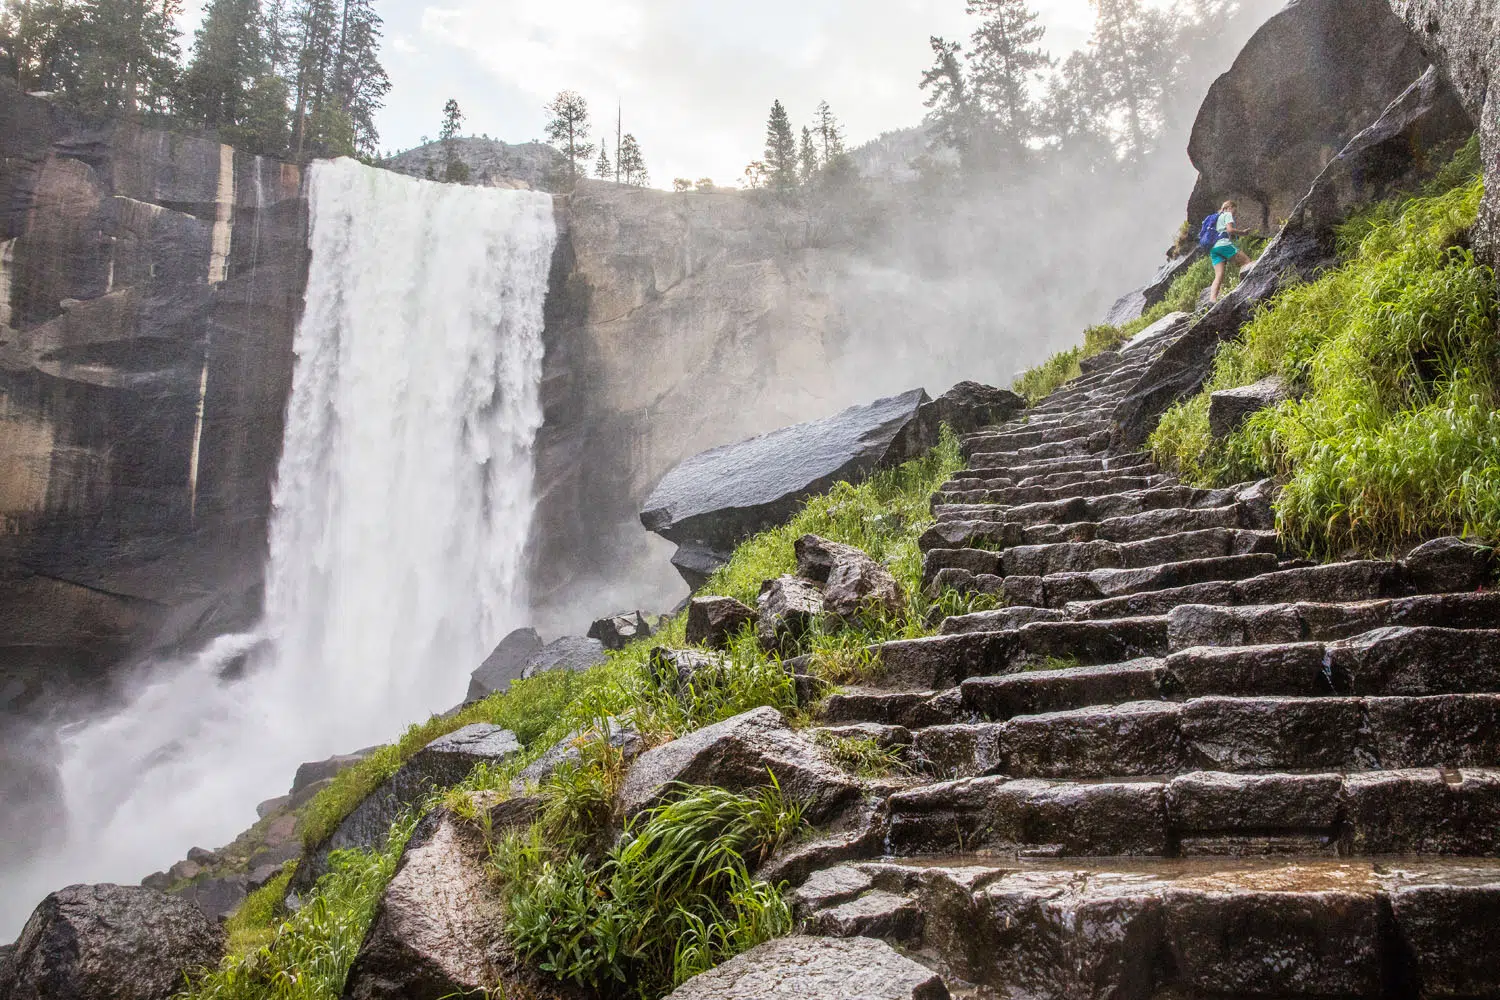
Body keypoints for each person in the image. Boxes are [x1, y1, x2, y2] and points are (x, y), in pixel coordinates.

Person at [1209, 199, 1257, 302]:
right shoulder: (1227, 214)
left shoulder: (1217, 218)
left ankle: (1212, 300)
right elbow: (1230, 230)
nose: (1234, 215)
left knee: (1219, 275)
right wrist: (1243, 232)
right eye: (1234, 212)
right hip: (1223, 244)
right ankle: (1249, 288)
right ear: (1230, 208)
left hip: (1214, 249)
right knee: (1247, 262)